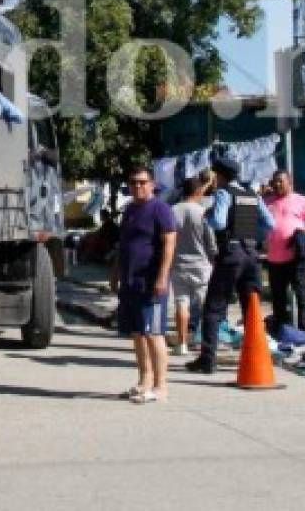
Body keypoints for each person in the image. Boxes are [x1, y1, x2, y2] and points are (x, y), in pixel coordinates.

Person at [185, 154, 275, 375]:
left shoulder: (224, 193)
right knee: (251, 307)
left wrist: (207, 217)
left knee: (214, 307)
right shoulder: (252, 194)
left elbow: (220, 222)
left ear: (219, 175)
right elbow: (270, 224)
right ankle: (255, 354)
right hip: (252, 255)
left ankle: (207, 359)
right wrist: (252, 237)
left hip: (231, 254)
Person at [109, 164, 178, 404]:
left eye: (142, 182)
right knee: (137, 333)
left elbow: (169, 244)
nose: (137, 186)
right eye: (133, 182)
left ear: (152, 184)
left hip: (151, 282)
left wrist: (162, 276)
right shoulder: (129, 211)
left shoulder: (161, 210)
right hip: (131, 281)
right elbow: (123, 243)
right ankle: (144, 380)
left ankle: (161, 386)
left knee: (153, 333)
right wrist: (116, 272)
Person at [265, 169, 305, 334]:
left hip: (295, 259)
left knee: (302, 295)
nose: (277, 185)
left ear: (289, 183)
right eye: (274, 182)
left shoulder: (301, 200)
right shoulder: (268, 202)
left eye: (280, 182)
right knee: (278, 298)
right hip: (275, 259)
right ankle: (283, 330)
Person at [170, 171, 218, 357]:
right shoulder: (202, 212)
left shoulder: (173, 210)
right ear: (198, 191)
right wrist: (214, 259)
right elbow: (211, 242)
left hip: (178, 265)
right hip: (201, 265)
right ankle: (205, 343)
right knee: (205, 305)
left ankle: (182, 344)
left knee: (182, 304)